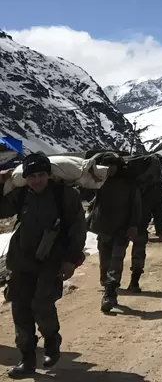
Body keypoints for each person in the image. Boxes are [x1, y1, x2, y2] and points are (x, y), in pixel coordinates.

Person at [0, 153, 86, 377]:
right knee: (20, 311)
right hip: (20, 261)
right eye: (31, 176)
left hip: (52, 261)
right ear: (25, 178)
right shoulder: (20, 195)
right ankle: (27, 360)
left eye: (41, 175)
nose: (37, 180)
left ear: (48, 175)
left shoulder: (64, 196)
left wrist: (70, 260)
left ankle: (51, 340)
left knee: (41, 305)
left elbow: (77, 228)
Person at [88, 153, 141, 313]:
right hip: (103, 228)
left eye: (112, 166)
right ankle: (107, 288)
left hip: (121, 230)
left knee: (115, 262)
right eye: (106, 166)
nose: (109, 169)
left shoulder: (129, 183)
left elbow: (135, 205)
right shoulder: (99, 182)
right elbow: (85, 195)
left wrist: (133, 226)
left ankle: (109, 293)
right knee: (105, 262)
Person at [128, 153, 162, 293]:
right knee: (138, 252)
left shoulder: (131, 180)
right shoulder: (157, 187)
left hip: (122, 221)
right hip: (140, 223)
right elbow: (160, 212)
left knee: (116, 251)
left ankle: (109, 282)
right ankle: (134, 282)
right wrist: (160, 231)